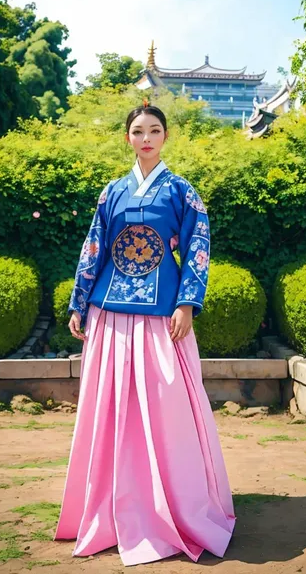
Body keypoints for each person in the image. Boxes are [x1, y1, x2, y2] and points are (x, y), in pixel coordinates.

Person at [53, 102, 236, 566]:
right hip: (111, 312)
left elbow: (198, 245)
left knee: (164, 407)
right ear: (127, 138)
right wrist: (79, 301)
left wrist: (187, 303)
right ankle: (112, 507)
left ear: (166, 137)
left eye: (155, 130)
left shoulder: (181, 191)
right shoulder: (112, 192)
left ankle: (173, 505)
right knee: (110, 409)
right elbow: (94, 245)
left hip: (161, 314)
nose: (147, 137)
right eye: (138, 131)